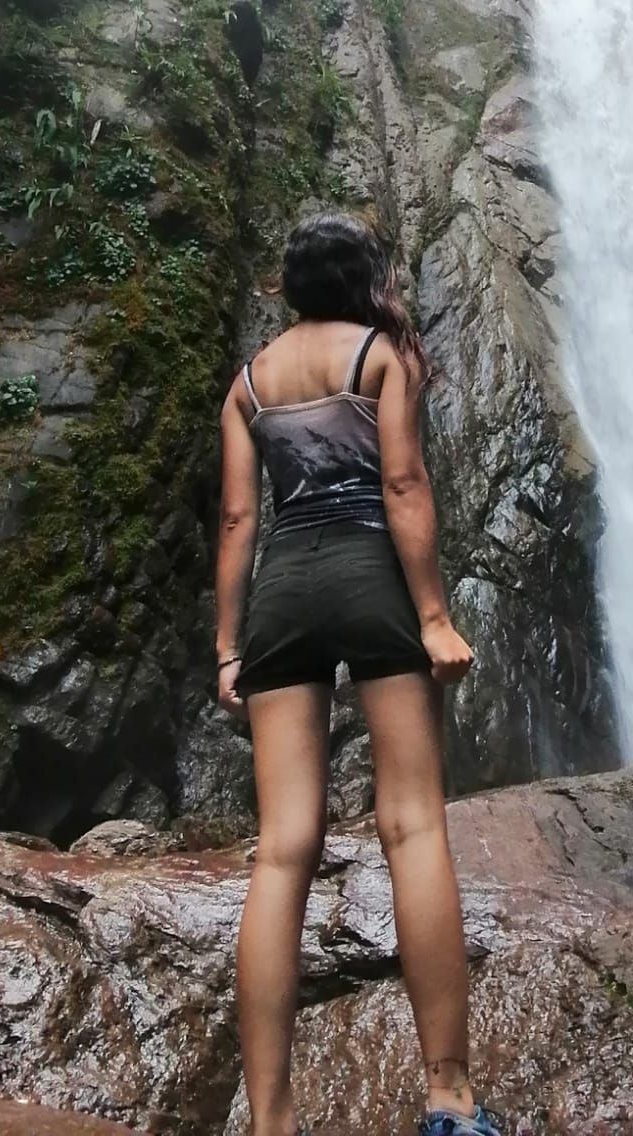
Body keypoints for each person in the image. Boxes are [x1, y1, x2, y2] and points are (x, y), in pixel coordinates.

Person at [214, 211, 500, 1136]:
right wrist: (434, 618)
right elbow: (403, 485)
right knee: (412, 826)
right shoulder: (381, 357)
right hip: (372, 578)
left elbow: (239, 522)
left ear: (290, 287)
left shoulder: (249, 384)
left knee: (283, 847)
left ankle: (271, 1122)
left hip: (283, 593)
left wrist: (228, 647)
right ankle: (449, 1099)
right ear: (365, 279)